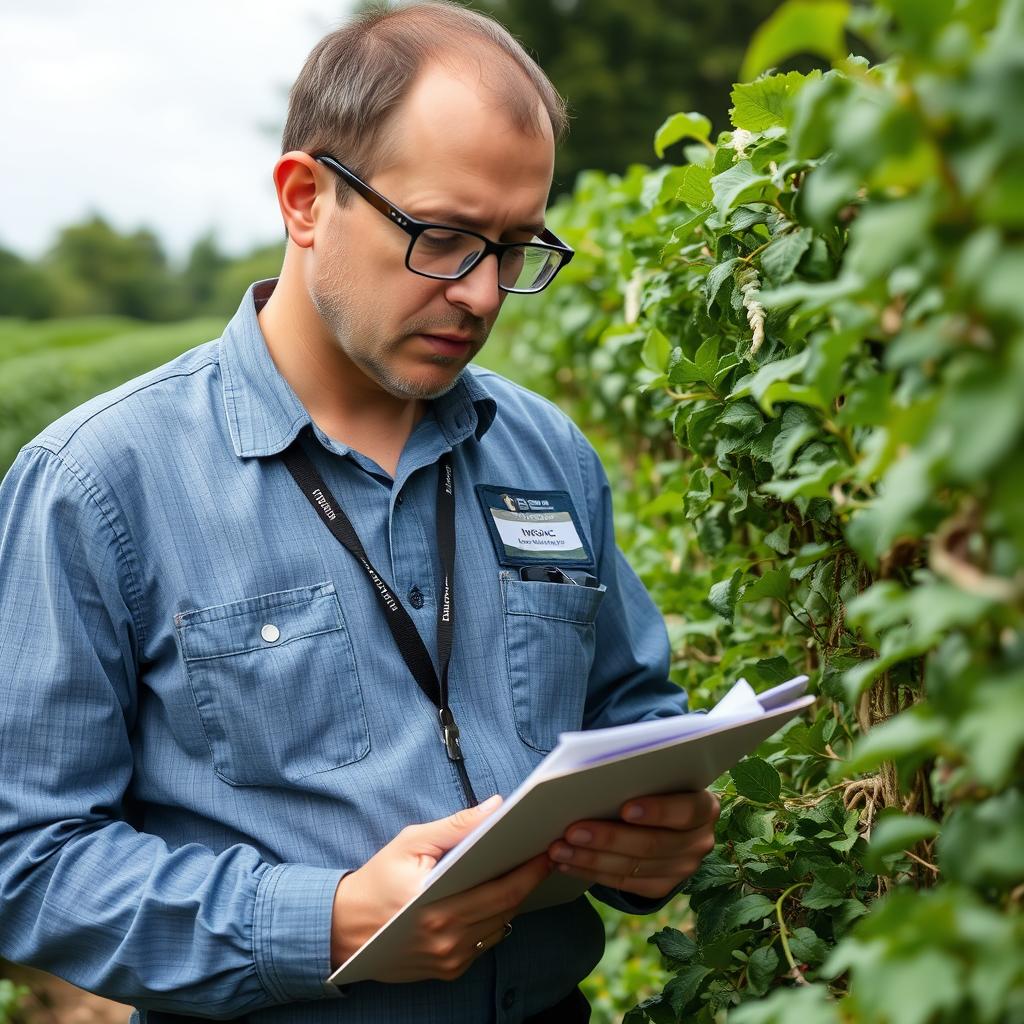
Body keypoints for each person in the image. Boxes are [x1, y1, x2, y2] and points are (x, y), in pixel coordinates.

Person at [0, 4, 719, 1022]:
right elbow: (23, 861)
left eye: (514, 249)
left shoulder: (546, 451)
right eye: (442, 237)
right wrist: (320, 919)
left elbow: (627, 711)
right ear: (304, 198)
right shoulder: (99, 482)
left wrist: (659, 833)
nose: (479, 296)